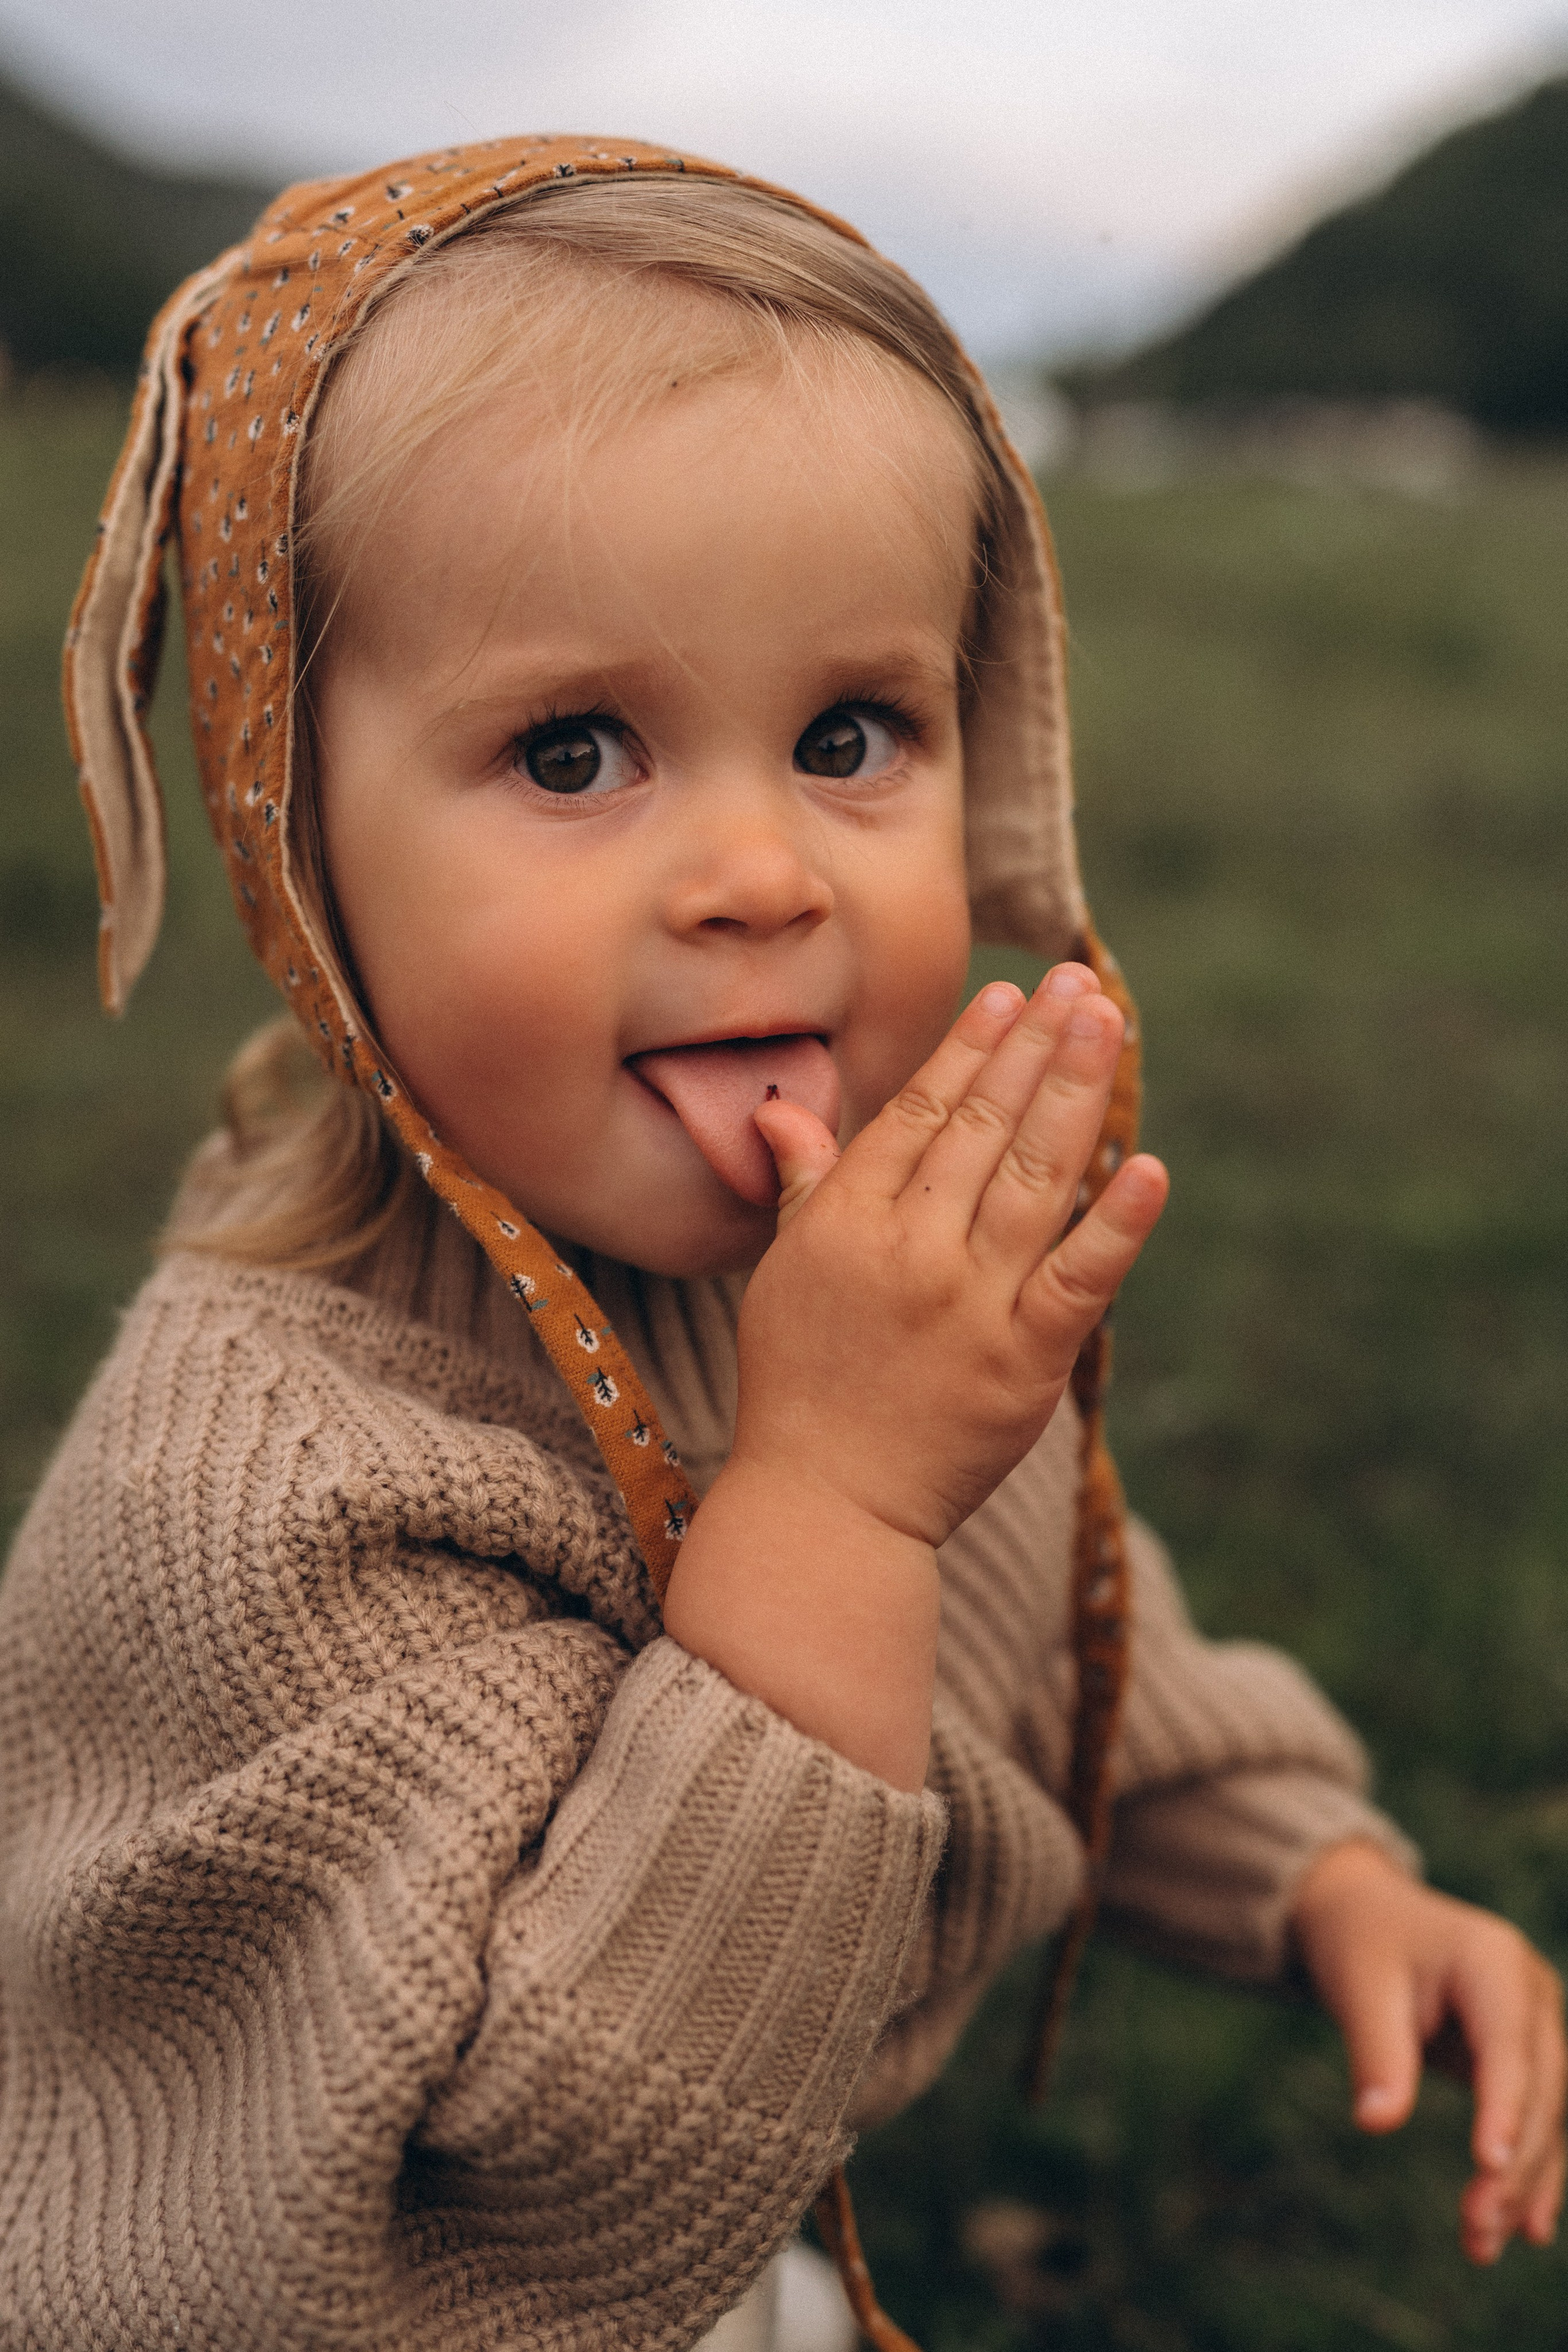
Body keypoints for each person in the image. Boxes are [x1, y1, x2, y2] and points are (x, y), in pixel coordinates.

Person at [2, 135, 1560, 2350]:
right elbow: (533, 2175)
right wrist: (826, 1500)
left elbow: (1027, 1613)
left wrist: (1313, 1870)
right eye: (573, 751)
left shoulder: (813, 1274)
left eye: (850, 735)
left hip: (708, 2219)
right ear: (302, 838)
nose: (762, 871)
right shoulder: (263, 1507)